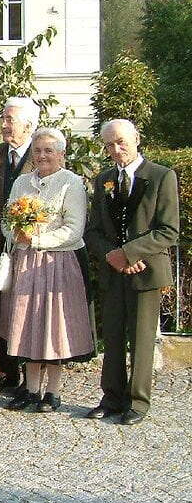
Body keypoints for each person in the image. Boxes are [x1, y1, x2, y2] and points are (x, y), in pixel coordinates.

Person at [85, 119, 179, 425]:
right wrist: (112, 256)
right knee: (112, 337)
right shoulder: (104, 179)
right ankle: (112, 397)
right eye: (109, 145)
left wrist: (129, 253)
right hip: (114, 271)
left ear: (137, 138)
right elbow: (93, 230)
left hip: (146, 271)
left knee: (141, 339)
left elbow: (168, 230)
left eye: (121, 142)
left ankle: (138, 401)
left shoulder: (161, 176)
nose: (115, 149)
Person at [0, 128, 94, 413]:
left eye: (48, 150)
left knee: (53, 326)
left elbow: (74, 229)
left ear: (61, 154)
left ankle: (52, 392)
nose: (42, 156)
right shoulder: (22, 182)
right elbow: (6, 219)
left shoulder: (71, 183)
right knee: (27, 324)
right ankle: (30, 389)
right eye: (37, 150)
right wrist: (17, 235)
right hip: (25, 261)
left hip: (58, 263)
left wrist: (37, 239)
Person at [0, 96, 38, 392]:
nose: (3, 124)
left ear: (28, 125)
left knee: (26, 309)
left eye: (9, 120)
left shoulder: (41, 152)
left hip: (30, 245)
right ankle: (5, 371)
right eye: (2, 119)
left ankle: (31, 375)